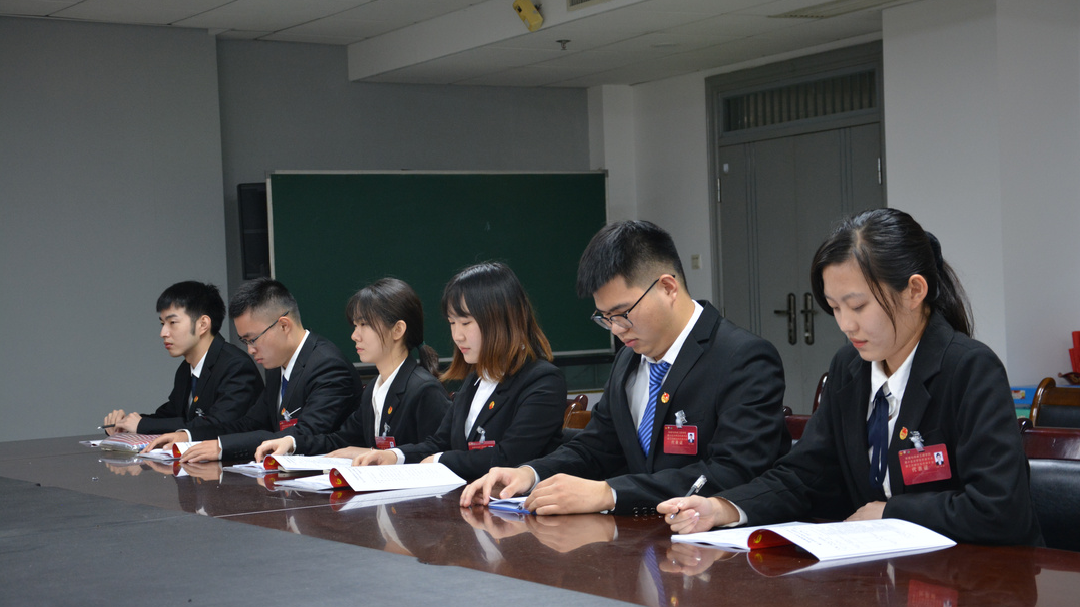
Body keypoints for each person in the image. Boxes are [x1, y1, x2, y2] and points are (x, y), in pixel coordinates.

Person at [659, 208, 1043, 546]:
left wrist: (891, 512)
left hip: (980, 577)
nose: (846, 324)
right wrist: (723, 508)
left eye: (857, 306)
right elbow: (804, 475)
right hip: (889, 573)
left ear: (914, 291)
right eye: (835, 308)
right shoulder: (850, 368)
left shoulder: (970, 369)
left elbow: (999, 509)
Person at [461, 220, 788, 515]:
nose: (616, 329)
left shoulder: (742, 358)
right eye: (605, 317)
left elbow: (733, 473)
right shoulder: (628, 360)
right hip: (640, 541)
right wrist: (529, 473)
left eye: (623, 313)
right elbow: (596, 448)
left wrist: (611, 493)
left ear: (668, 288)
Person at [354, 262, 566, 481]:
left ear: (501, 320)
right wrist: (394, 455)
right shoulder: (476, 378)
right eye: (452, 323)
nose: (457, 336)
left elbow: (508, 457)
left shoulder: (543, 381)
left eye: (465, 323)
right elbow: (439, 442)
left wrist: (440, 461)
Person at [145, 278, 363, 462]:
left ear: (284, 325)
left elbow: (303, 434)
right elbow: (250, 423)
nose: (250, 350)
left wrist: (223, 448)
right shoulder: (277, 364)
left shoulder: (327, 365)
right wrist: (189, 435)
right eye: (244, 341)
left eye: (253, 339)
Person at [253, 278, 450, 461]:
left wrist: (389, 455)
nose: (355, 335)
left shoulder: (424, 389)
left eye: (364, 324)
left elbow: (440, 450)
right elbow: (340, 439)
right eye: (355, 325)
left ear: (398, 329)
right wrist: (292, 442)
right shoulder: (373, 390)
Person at [103, 281, 262, 436]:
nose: (163, 333)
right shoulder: (186, 368)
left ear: (203, 324)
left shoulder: (235, 365)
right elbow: (171, 416)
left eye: (172, 322)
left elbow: (218, 424)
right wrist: (125, 424)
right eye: (162, 324)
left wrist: (142, 425)